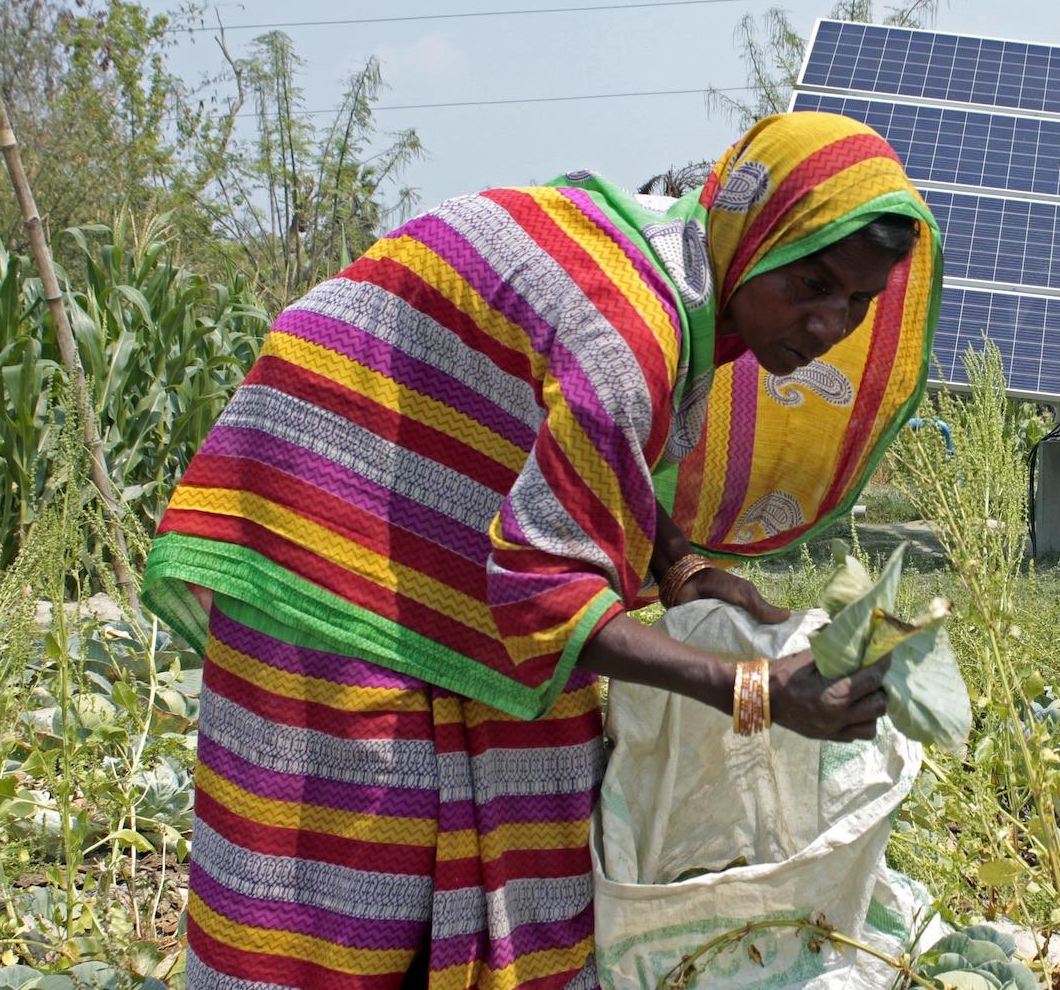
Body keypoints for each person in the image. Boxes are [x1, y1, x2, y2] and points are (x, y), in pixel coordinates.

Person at [140, 110, 944, 990]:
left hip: (435, 484)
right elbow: (541, 599)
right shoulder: (633, 327)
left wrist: (679, 564)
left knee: (534, 766)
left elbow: (594, 451)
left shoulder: (688, 259)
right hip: (329, 483)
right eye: (813, 283)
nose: (831, 323)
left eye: (858, 301)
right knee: (360, 819)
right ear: (754, 235)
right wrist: (756, 692)